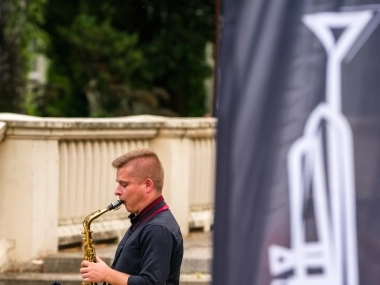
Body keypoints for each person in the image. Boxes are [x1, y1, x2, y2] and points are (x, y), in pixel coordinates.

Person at [80, 148, 184, 285]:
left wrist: (106, 274)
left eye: (124, 184)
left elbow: (151, 283)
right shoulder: (144, 220)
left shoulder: (157, 229)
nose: (117, 191)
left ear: (147, 185)